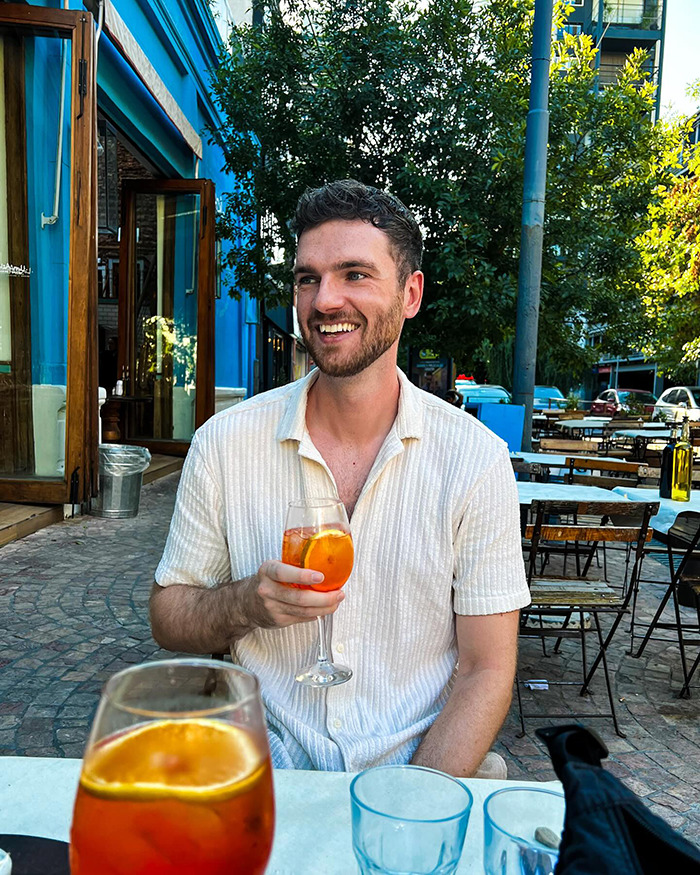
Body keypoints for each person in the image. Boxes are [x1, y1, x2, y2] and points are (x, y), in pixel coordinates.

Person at [150, 179, 530, 777]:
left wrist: (412, 806)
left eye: (355, 274)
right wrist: (245, 603)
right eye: (308, 278)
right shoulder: (224, 443)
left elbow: (487, 669)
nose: (325, 300)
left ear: (410, 294)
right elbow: (168, 615)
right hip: (263, 767)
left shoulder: (474, 460)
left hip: (415, 766)